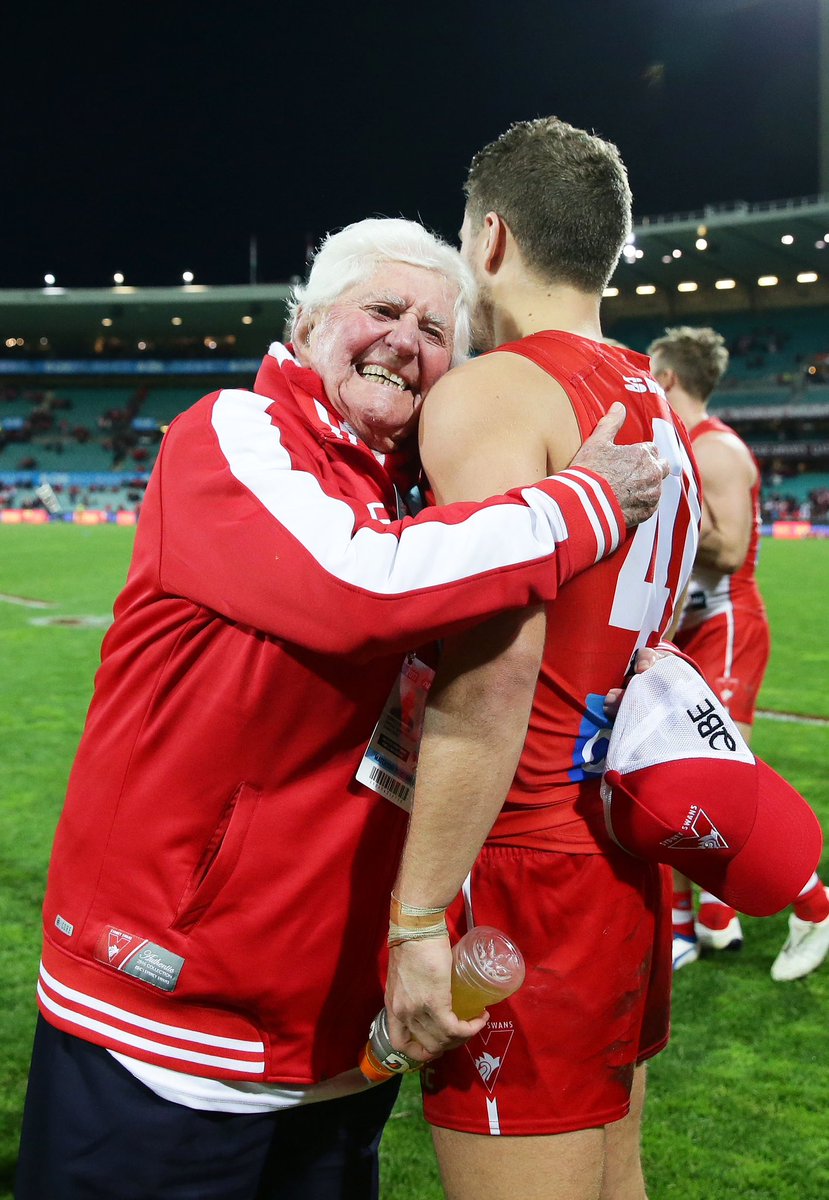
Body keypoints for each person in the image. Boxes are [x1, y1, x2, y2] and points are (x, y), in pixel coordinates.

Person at [15, 217, 666, 1200]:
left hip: (338, 1047)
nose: (405, 340)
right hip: (166, 1023)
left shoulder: (426, 498)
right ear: (309, 323)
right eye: (382, 309)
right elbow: (358, 586)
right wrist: (578, 503)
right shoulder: (233, 433)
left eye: (435, 330)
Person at [384, 118, 701, 1200]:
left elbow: (494, 669)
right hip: (615, 849)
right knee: (614, 1171)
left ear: (490, 239)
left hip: (519, 863)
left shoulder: (494, 392)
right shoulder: (652, 403)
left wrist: (415, 916)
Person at [647, 325, 829, 981]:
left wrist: (659, 512)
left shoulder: (713, 448)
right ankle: (704, 924)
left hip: (727, 623)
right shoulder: (685, 444)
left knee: (718, 785)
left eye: (649, 372)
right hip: (690, 627)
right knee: (666, 772)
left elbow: (725, 551)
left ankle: (813, 906)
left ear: (667, 378)